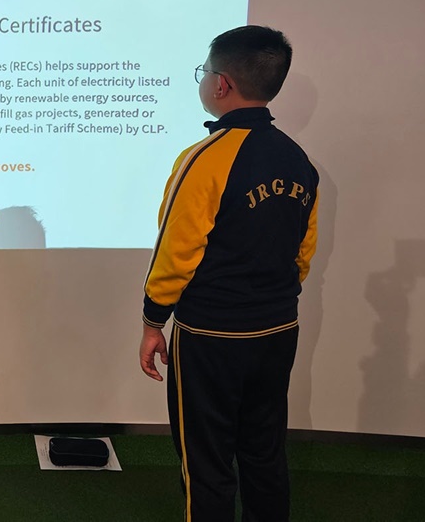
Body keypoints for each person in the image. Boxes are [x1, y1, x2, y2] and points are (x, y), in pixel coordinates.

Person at [139, 26, 319, 522]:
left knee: (206, 460)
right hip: (278, 328)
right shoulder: (298, 159)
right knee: (264, 450)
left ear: (221, 84)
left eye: (204, 72)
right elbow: (303, 251)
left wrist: (153, 321)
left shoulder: (203, 159)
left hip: (211, 335)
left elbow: (176, 253)